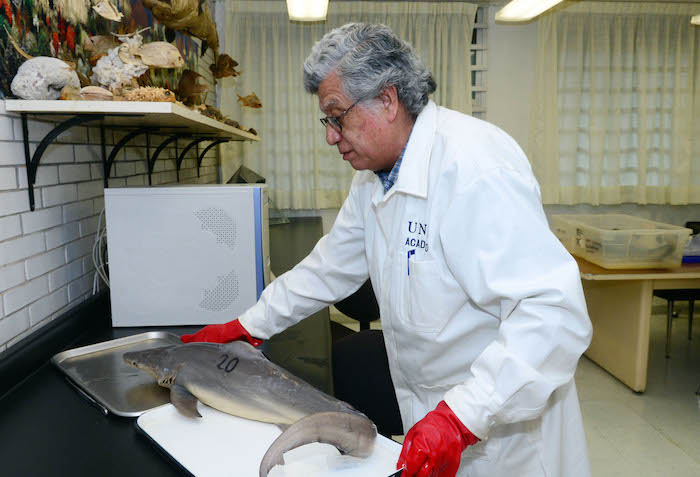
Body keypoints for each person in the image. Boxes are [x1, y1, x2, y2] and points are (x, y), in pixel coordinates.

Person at [181, 23, 593, 477]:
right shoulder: (375, 177)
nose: (330, 136)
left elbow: (552, 311)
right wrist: (248, 324)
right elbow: (330, 266)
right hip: (431, 417)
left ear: (388, 100)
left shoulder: (475, 166)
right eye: (327, 120)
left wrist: (462, 418)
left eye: (337, 116)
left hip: (501, 428)